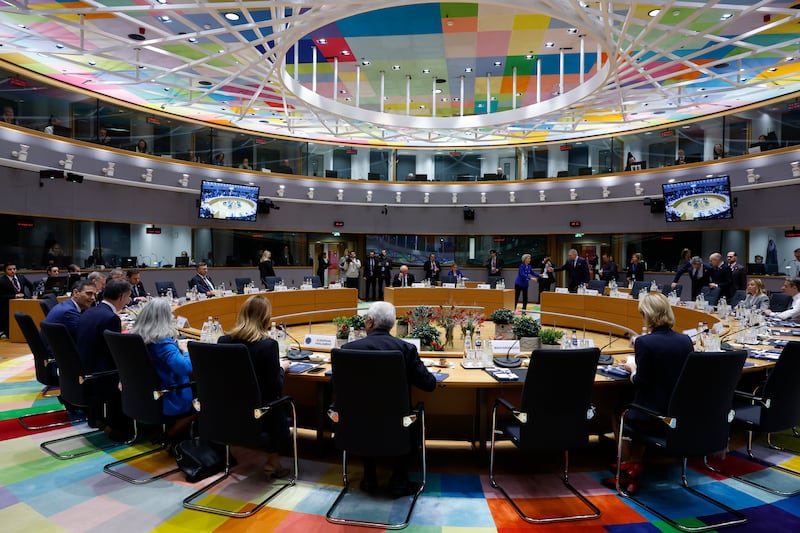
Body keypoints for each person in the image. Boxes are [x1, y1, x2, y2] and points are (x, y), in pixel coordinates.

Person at [341, 301, 436, 496]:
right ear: (392, 325)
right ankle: (399, 479)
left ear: (369, 321)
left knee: (364, 411)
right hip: (398, 427)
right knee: (412, 415)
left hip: (357, 425)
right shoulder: (405, 349)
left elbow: (337, 387)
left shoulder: (348, 349)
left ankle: (369, 478)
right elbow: (429, 384)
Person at [610, 292, 694, 493]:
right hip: (679, 413)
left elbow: (641, 382)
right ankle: (634, 463)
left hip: (653, 416)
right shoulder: (685, 340)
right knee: (636, 404)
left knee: (617, 409)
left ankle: (629, 465)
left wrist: (632, 369)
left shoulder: (644, 343)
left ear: (647, 315)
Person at [218, 296, 291, 478]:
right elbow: (275, 387)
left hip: (228, 414)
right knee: (276, 403)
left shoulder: (223, 341)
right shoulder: (267, 346)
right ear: (266, 319)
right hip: (260, 416)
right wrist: (282, 368)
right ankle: (273, 461)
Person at [76, 278, 134, 441]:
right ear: (122, 296)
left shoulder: (90, 311)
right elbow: (113, 353)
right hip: (101, 374)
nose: (129, 301)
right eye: (129, 297)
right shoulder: (110, 318)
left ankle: (101, 419)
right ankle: (120, 428)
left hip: (84, 367)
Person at [131, 298, 194, 442]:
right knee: (207, 397)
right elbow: (185, 368)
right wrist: (185, 350)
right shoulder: (162, 342)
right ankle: (168, 437)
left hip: (144, 393)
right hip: (170, 395)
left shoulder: (136, 337)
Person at [0, 262, 34, 335]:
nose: (12, 271)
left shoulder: (21, 277)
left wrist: (31, 296)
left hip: (22, 303)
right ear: (5, 271)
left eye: (14, 269)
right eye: (10, 269)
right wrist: (14, 296)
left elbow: (31, 286)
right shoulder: (1, 280)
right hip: (7, 306)